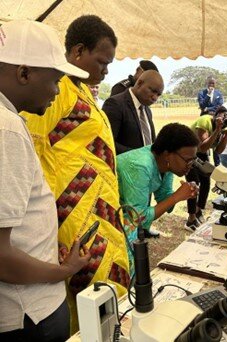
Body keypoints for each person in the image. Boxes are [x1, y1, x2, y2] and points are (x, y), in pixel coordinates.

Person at [21, 15, 130, 333]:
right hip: (74, 217)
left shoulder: (82, 93)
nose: (106, 71)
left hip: (101, 214)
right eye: (102, 62)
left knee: (108, 302)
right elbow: (35, 155)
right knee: (91, 302)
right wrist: (45, 226)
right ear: (78, 51)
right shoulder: (56, 91)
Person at [0, 20, 91, 342]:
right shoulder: (6, 128)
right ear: (24, 73)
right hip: (29, 311)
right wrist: (64, 271)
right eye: (55, 80)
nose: (57, 91)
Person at [117, 123, 199, 242]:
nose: (190, 166)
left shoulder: (166, 165)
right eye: (187, 160)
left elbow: (165, 203)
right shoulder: (140, 166)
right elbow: (139, 218)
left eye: (193, 160)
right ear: (167, 154)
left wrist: (183, 194)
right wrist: (176, 196)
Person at [185, 106, 227, 230]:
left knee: (206, 181)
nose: (225, 119)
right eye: (223, 115)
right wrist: (217, 130)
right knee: (193, 183)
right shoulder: (205, 120)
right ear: (216, 115)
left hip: (200, 153)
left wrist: (226, 134)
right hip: (187, 151)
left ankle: (197, 211)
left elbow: (218, 150)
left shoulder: (222, 128)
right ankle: (190, 220)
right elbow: (202, 146)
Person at [103, 70, 164, 155]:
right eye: (153, 91)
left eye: (158, 94)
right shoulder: (115, 104)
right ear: (139, 83)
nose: (155, 98)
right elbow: (107, 142)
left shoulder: (147, 110)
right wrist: (138, 155)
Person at [198, 77, 224, 166]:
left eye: (213, 83)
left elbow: (219, 107)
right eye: (210, 83)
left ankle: (217, 165)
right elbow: (202, 105)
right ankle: (206, 164)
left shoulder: (219, 94)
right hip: (205, 120)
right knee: (205, 142)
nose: (211, 85)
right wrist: (208, 95)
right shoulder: (202, 93)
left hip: (216, 120)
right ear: (207, 83)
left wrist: (208, 109)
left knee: (215, 141)